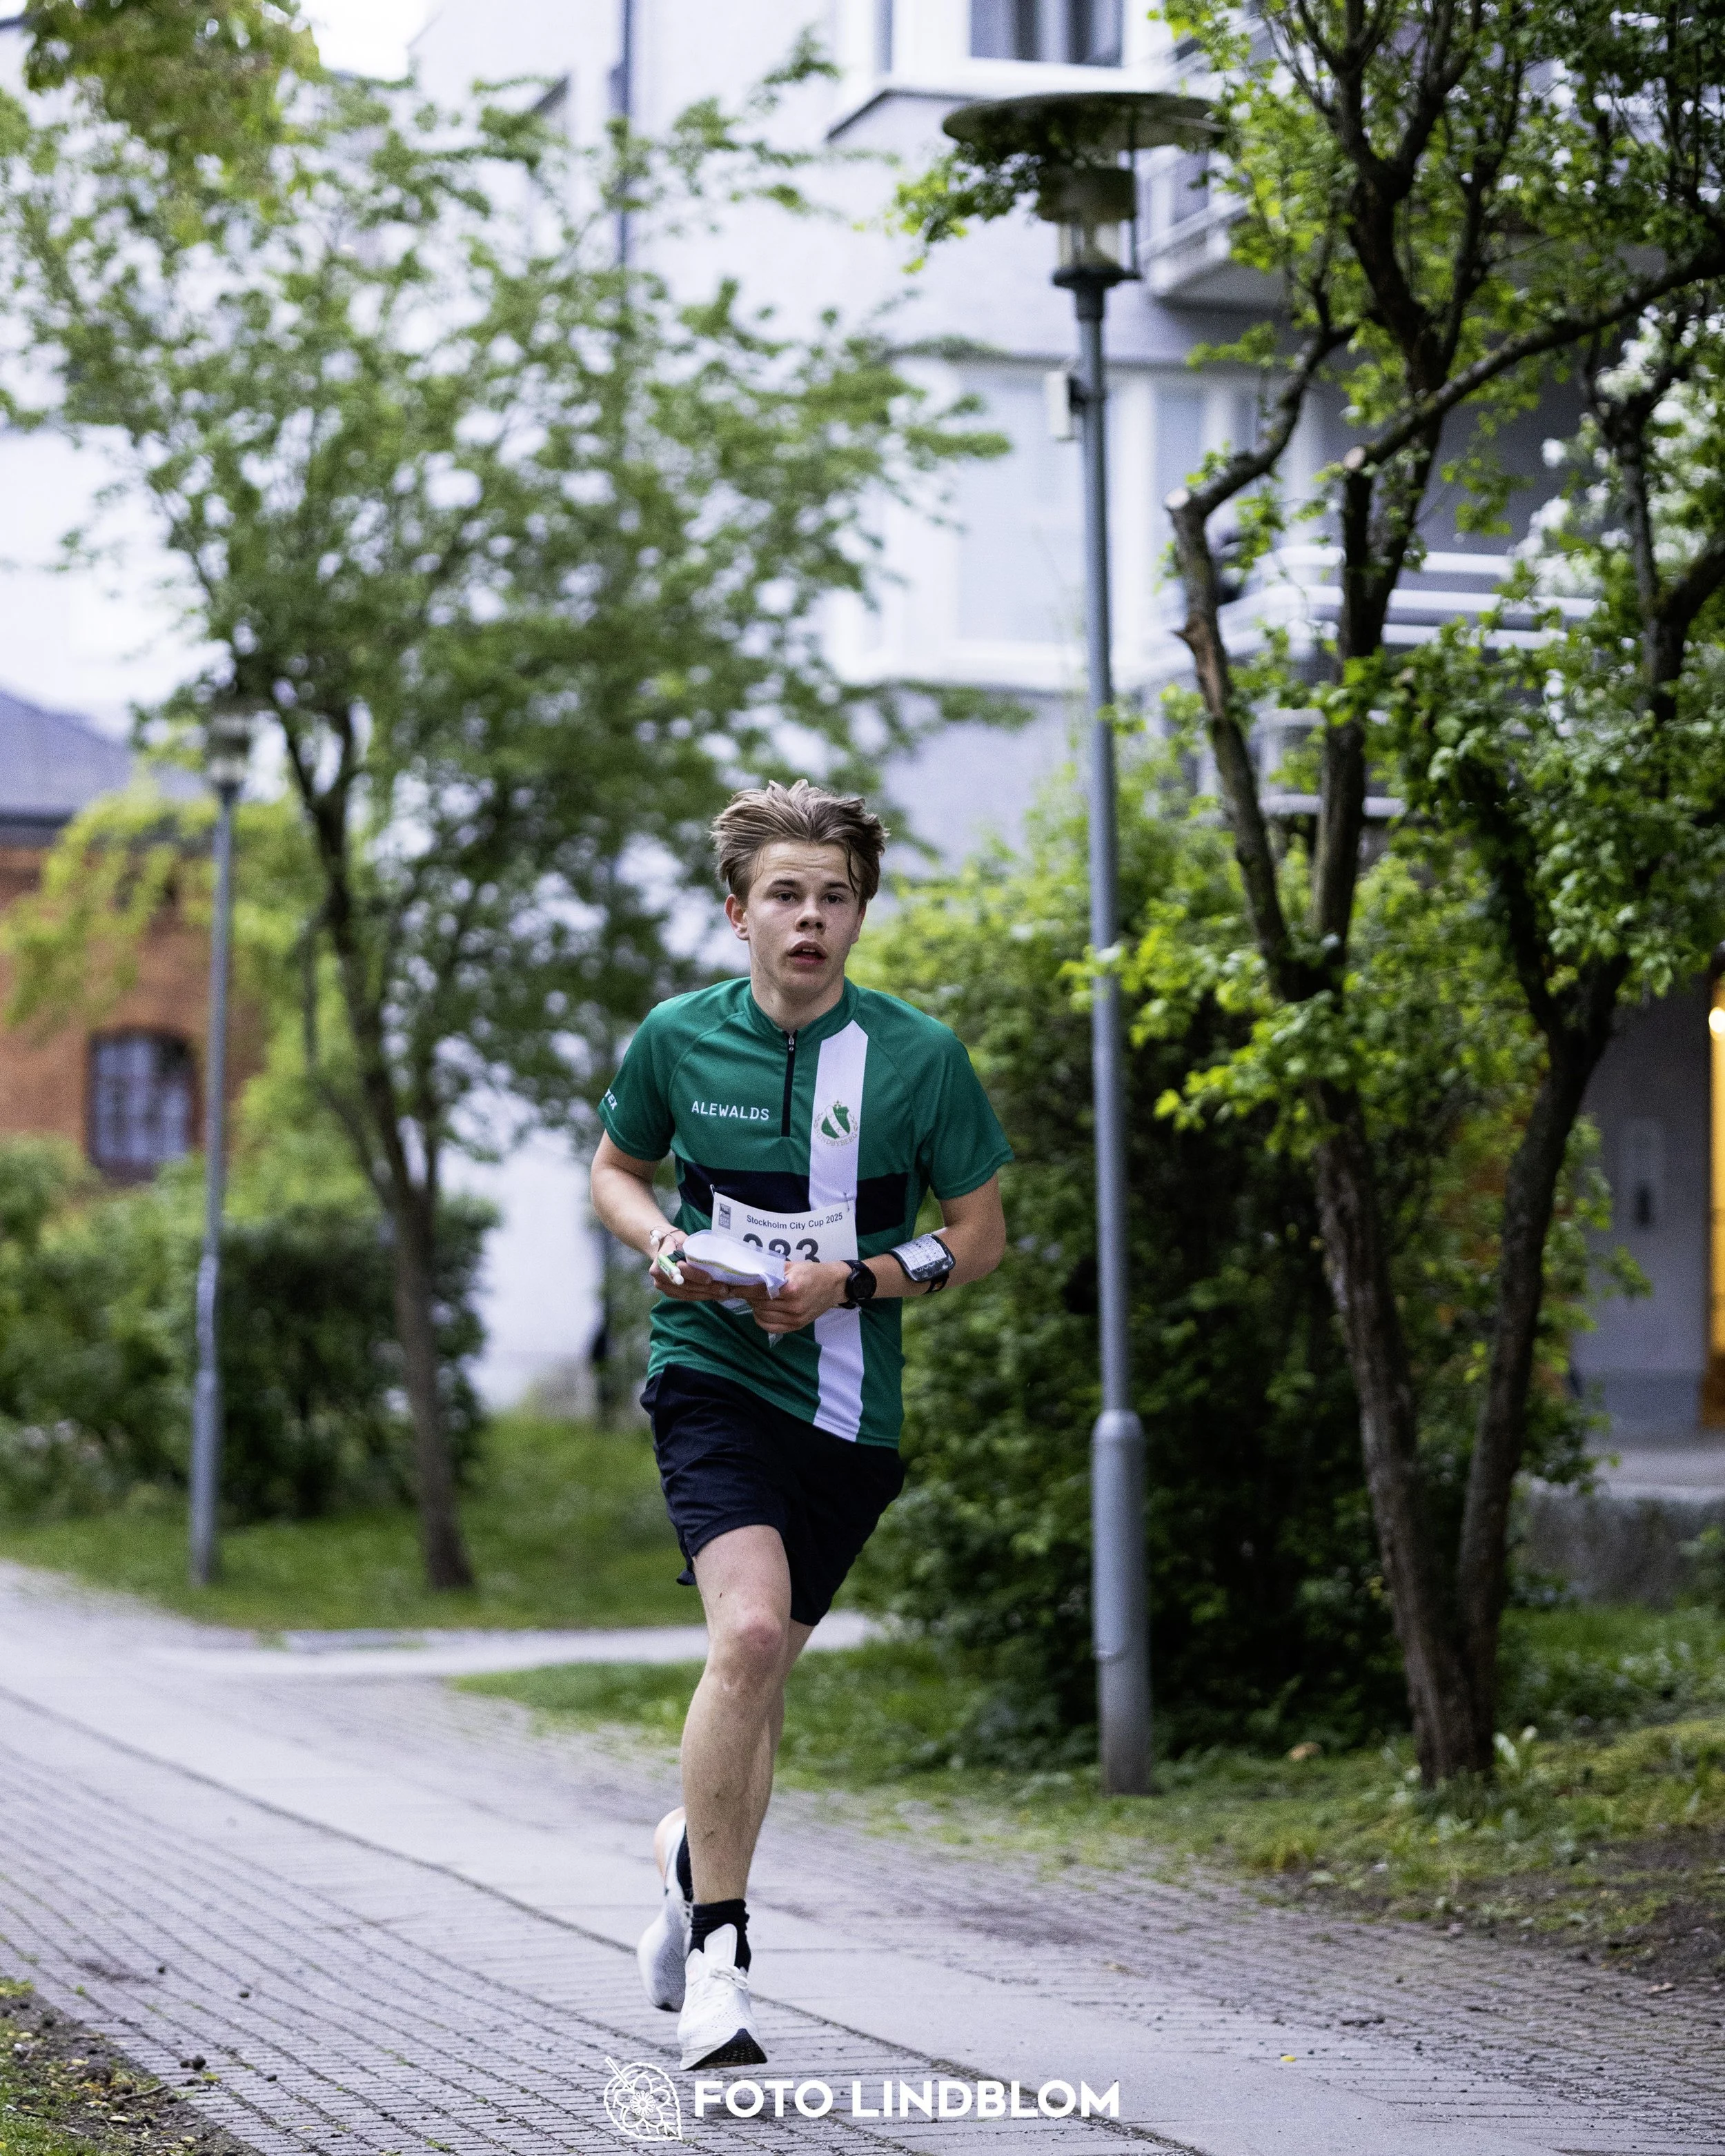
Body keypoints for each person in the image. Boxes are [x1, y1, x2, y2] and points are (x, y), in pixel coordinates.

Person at [589, 778, 1010, 2073]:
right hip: (711, 1370)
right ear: (739, 914)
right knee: (753, 1630)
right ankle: (723, 1959)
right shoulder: (674, 1039)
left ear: (861, 917)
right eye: (787, 895)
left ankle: (683, 1850)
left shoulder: (923, 1059)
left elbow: (980, 1236)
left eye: (835, 897)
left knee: (759, 1672)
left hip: (849, 1406)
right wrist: (665, 1245)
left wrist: (861, 1281)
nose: (811, 917)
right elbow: (617, 1171)